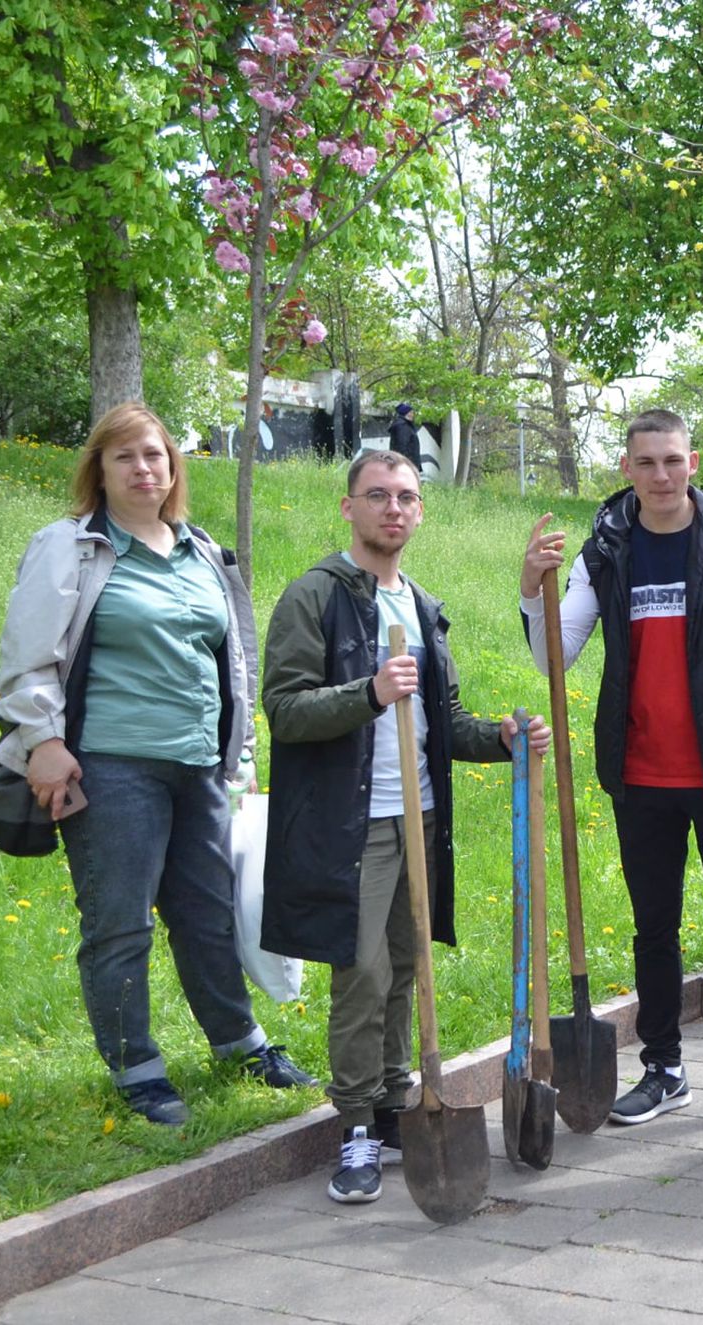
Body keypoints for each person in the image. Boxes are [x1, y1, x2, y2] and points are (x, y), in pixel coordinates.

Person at [0, 402, 314, 1125]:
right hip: (110, 766)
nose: (143, 468)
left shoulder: (202, 551)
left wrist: (241, 754)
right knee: (119, 924)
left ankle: (239, 1042)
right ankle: (136, 1068)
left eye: (155, 456)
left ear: (173, 469)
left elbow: (232, 660)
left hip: (199, 765)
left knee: (208, 913)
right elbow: (26, 655)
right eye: (125, 457)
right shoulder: (71, 547)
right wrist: (43, 741)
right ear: (100, 470)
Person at [261, 448, 541, 1205]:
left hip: (419, 814)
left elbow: (441, 720)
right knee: (361, 976)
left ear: (420, 511)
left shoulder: (420, 604)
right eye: (378, 495)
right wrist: (369, 692)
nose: (393, 508)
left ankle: (391, 1106)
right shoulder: (315, 596)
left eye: (407, 497)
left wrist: (501, 738)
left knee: (404, 966)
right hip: (347, 821)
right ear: (348, 506)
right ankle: (354, 1124)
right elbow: (284, 709)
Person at [518, 409, 703, 1125]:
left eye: (673, 460)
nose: (661, 475)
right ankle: (664, 1067)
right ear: (627, 469)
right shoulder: (606, 549)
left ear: (693, 462)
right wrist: (530, 590)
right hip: (642, 773)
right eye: (647, 462)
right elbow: (553, 656)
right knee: (654, 927)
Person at [387, 404, 421, 469]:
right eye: (411, 412)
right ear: (406, 413)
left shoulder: (405, 425)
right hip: (406, 463)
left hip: (407, 462)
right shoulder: (402, 426)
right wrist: (405, 464)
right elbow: (402, 446)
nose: (413, 415)